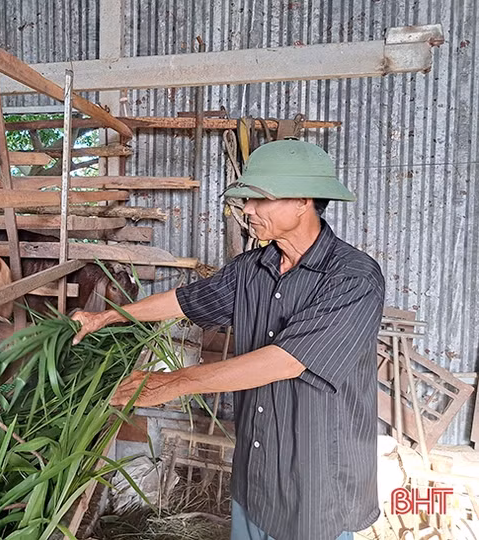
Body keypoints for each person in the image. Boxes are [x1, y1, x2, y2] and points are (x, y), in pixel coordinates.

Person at [71, 138, 386, 540]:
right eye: (246, 200)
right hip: (255, 472)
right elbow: (187, 300)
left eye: (259, 200)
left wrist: (172, 382)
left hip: (316, 480)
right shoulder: (252, 268)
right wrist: (107, 317)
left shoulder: (353, 278)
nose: (247, 210)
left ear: (302, 201)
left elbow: (286, 360)